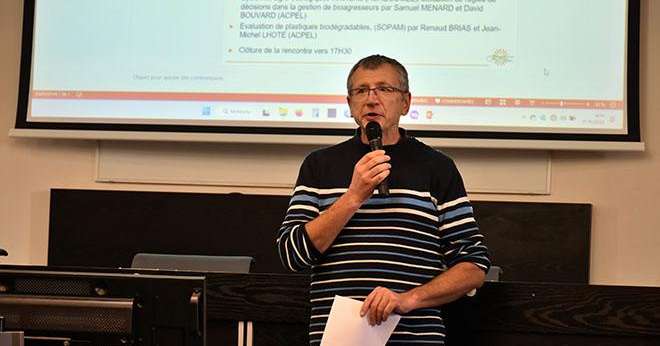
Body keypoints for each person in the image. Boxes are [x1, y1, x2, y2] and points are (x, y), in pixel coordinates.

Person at [276, 55, 490, 345]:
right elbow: (292, 254)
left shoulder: (437, 168)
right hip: (340, 338)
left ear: (406, 102)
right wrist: (353, 196)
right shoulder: (319, 166)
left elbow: (474, 266)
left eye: (384, 89)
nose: (371, 99)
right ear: (350, 103)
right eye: (361, 90)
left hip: (416, 338)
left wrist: (407, 299)